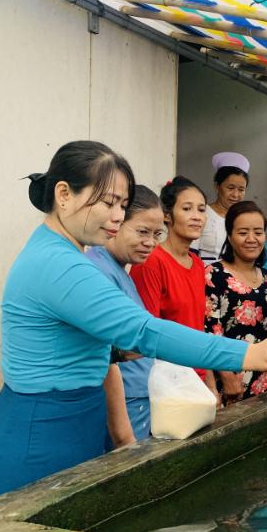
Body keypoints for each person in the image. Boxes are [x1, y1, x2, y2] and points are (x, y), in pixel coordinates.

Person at [0, 141, 267, 504]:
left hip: (66, 430)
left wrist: (113, 352)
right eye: (108, 202)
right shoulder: (60, 263)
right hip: (38, 442)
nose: (117, 216)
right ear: (64, 194)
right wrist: (249, 355)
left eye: (122, 204)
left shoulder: (65, 254)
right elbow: (144, 330)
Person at [86, 185, 164, 444]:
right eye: (142, 231)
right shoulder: (100, 270)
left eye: (157, 234)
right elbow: (108, 353)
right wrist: (123, 435)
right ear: (116, 223)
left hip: (136, 397)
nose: (150, 242)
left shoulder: (118, 269)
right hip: (122, 403)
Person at [130, 176, 222, 397]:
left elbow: (197, 327)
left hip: (196, 377)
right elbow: (147, 334)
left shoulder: (197, 263)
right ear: (167, 215)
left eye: (201, 210)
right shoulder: (151, 261)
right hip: (167, 382)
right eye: (187, 208)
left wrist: (210, 383)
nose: (197, 216)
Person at [205, 201, 267, 405]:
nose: (252, 239)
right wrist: (227, 376)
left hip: (263, 376)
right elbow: (210, 330)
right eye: (243, 232)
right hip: (228, 378)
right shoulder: (214, 274)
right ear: (230, 236)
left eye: (258, 232)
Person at [197, 152, 249, 265]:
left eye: (241, 190)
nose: (235, 195)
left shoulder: (245, 219)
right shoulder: (202, 214)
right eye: (230, 188)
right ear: (217, 186)